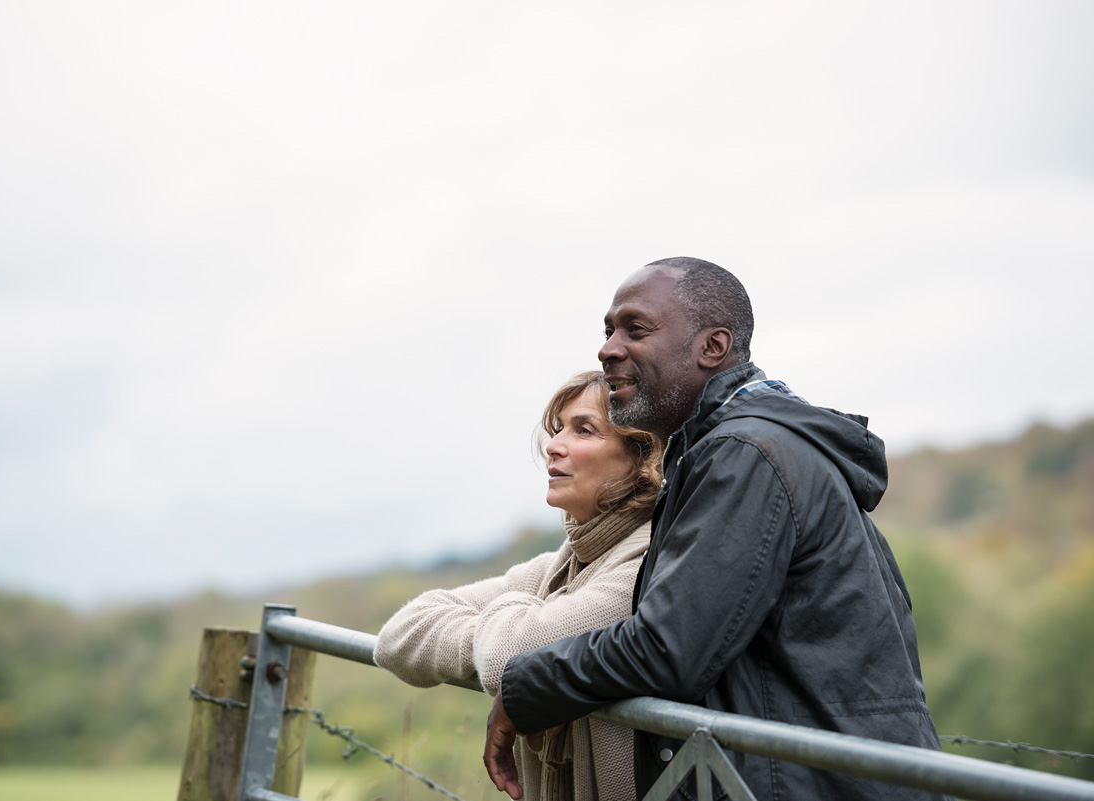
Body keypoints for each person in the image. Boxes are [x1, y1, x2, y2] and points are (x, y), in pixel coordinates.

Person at [484, 258, 950, 801]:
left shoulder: (744, 454)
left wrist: (527, 689)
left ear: (713, 347)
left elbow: (667, 648)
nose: (607, 348)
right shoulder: (726, 449)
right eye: (608, 330)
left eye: (635, 329)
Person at [374, 371, 664, 801]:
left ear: (644, 457)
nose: (553, 445)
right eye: (557, 428)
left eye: (584, 429)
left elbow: (508, 654)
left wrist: (516, 626)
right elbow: (398, 637)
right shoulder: (564, 564)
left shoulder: (649, 560)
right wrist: (521, 613)